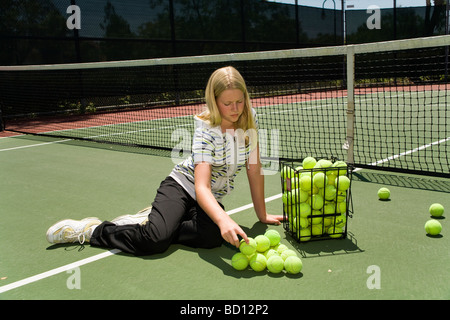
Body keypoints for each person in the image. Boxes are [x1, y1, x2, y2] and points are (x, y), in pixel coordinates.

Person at [46, 66, 284, 256]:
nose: (235, 109)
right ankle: (93, 230)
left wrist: (261, 215)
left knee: (212, 238)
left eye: (240, 101)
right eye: (227, 103)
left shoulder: (249, 118)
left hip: (210, 198)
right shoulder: (206, 131)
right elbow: (200, 187)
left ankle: (162, 219)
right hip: (182, 186)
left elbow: (254, 168)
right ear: (214, 100)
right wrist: (222, 219)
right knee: (155, 241)